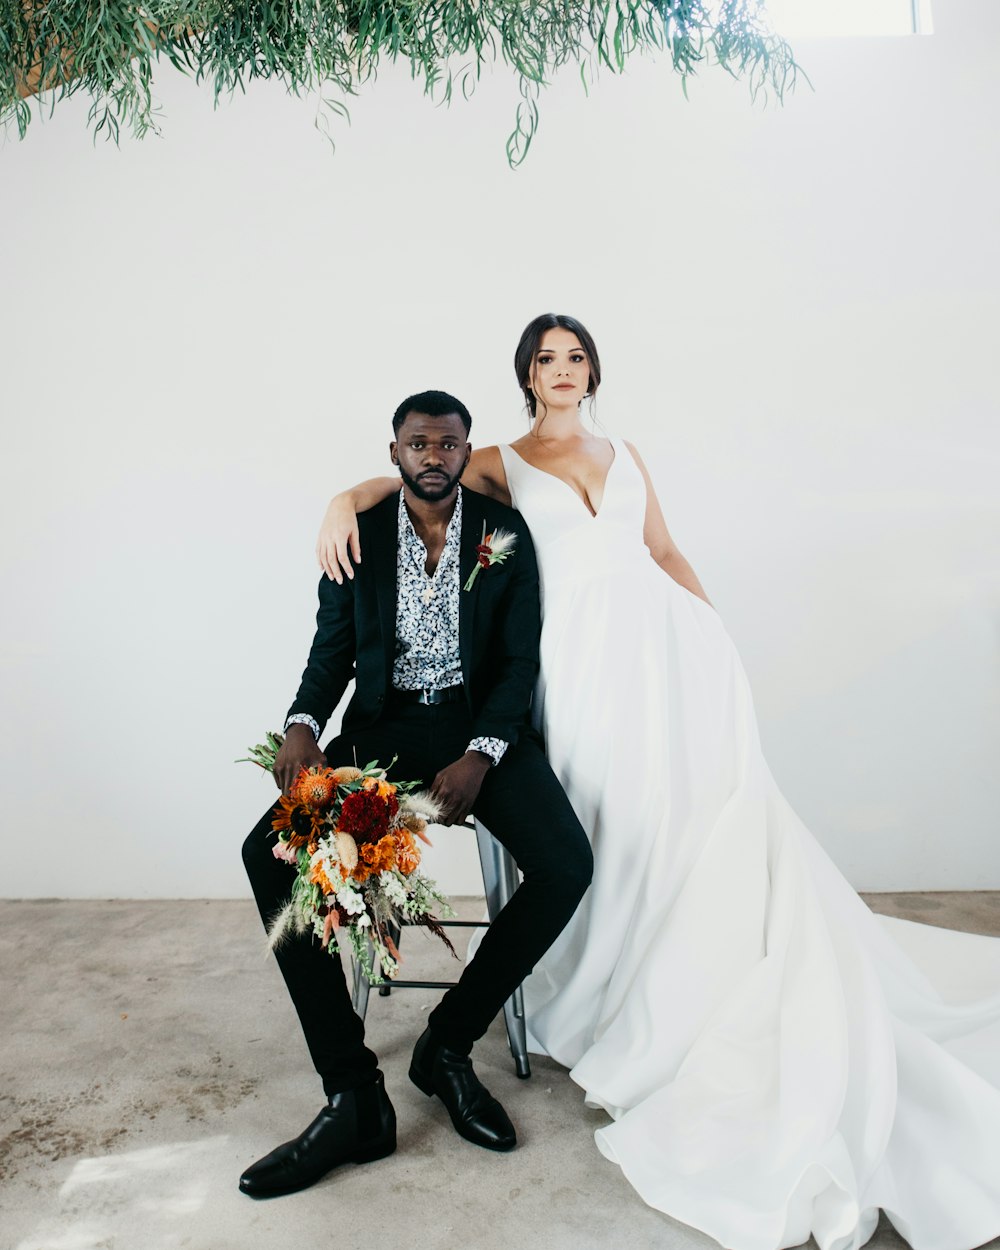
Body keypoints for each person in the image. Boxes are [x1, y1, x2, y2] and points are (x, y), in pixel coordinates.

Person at [316, 316, 1000, 1250]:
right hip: (584, 669)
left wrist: (714, 636)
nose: (564, 371)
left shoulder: (625, 449)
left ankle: (680, 972)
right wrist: (331, 504)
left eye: (576, 356)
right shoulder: (496, 463)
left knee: (689, 819)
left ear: (593, 367)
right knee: (610, 825)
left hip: (670, 655)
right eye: (546, 359)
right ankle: (605, 980)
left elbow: (664, 551)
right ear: (526, 374)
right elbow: (395, 482)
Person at [240, 388, 592, 1200]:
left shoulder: (503, 534)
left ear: (467, 452)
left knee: (567, 865)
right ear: (394, 452)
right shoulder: (359, 536)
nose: (434, 454)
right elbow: (331, 652)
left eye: (449, 443)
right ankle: (353, 1094)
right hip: (378, 734)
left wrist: (481, 752)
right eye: (418, 443)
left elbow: (517, 664)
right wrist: (300, 724)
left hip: (479, 733)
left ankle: (447, 1044)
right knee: (267, 857)